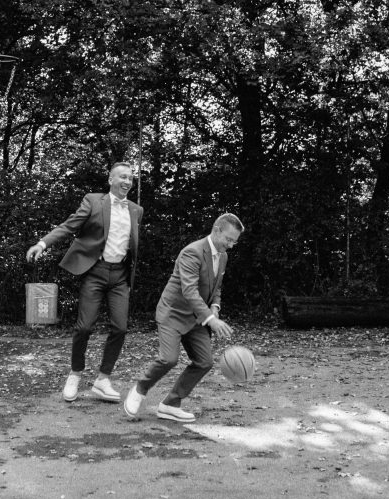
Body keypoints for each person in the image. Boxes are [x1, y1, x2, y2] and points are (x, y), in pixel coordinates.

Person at [26, 162, 143, 404]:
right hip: (95, 271)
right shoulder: (93, 201)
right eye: (122, 177)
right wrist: (42, 244)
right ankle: (75, 374)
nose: (127, 181)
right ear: (110, 179)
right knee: (84, 327)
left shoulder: (135, 210)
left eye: (131, 178)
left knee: (120, 328)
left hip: (120, 276)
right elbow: (69, 226)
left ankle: (103, 379)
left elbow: (131, 246)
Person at [123, 212, 244, 423]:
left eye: (234, 241)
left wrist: (215, 307)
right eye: (228, 239)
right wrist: (211, 320)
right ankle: (140, 388)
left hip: (197, 318)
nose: (231, 245)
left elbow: (216, 287)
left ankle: (170, 404)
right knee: (168, 358)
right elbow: (189, 291)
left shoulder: (223, 256)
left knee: (204, 362)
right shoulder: (192, 252)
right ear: (217, 230)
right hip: (173, 314)